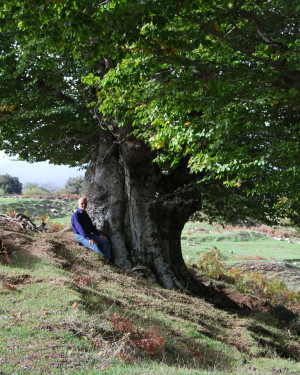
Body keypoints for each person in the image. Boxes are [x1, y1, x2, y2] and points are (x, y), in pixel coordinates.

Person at [71, 197, 112, 263]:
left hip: (88, 234)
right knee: (94, 245)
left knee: (105, 241)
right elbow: (80, 229)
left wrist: (99, 234)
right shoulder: (75, 216)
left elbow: (91, 227)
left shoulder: (85, 214)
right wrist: (88, 238)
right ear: (78, 204)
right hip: (80, 236)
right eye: (82, 203)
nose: (83, 205)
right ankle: (103, 261)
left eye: (85, 203)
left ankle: (108, 260)